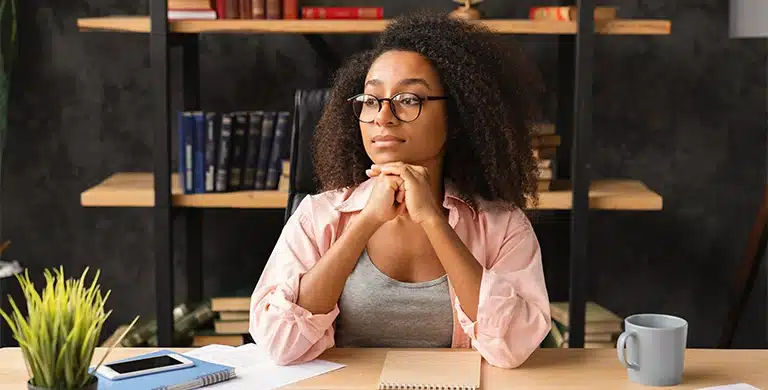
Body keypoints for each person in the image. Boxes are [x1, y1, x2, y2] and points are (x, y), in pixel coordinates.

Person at [248, 10, 551, 369]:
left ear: (455, 119)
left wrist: (433, 221)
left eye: (409, 99)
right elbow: (278, 343)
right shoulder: (317, 216)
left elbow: (514, 348)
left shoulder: (502, 227)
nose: (382, 117)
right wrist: (365, 222)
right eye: (372, 100)